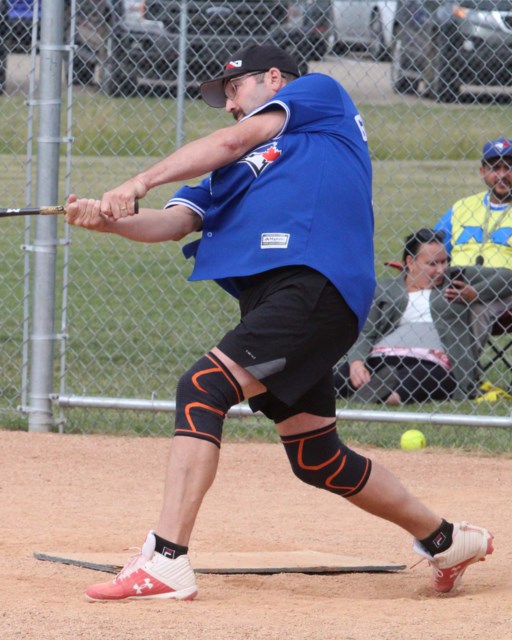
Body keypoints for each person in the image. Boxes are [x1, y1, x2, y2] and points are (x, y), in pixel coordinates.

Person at [62, 43, 494, 602]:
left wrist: (139, 180)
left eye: (233, 90)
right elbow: (172, 224)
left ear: (272, 79)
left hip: (314, 283)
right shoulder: (225, 173)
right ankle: (444, 540)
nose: (228, 106)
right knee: (316, 456)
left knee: (202, 387)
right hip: (281, 303)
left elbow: (235, 138)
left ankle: (167, 559)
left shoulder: (316, 98)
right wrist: (106, 222)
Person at [335, 228, 512, 404]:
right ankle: (373, 390)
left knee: (415, 378)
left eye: (445, 261)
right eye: (432, 264)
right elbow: (367, 331)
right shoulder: (385, 289)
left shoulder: (456, 278)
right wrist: (357, 362)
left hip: (432, 361)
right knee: (340, 376)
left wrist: (476, 293)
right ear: (411, 262)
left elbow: (508, 278)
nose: (441, 270)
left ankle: (384, 394)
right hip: (382, 357)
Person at [433, 138, 512, 350]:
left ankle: (461, 377)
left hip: (504, 290)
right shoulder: (462, 207)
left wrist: (477, 292)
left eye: (509, 167)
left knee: (477, 306)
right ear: (483, 172)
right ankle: (425, 367)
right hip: (457, 283)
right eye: (495, 168)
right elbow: (433, 249)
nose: (502, 175)